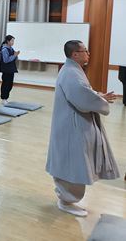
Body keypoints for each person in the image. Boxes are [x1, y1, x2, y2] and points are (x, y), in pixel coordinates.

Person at [46, 40, 119, 217]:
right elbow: (82, 99)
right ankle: (66, 201)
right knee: (71, 163)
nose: (88, 54)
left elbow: (84, 92)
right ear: (75, 54)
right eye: (85, 51)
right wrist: (100, 101)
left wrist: (99, 96)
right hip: (71, 126)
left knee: (71, 161)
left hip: (72, 124)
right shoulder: (71, 73)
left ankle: (67, 199)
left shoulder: (73, 70)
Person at [0, 35, 20, 105]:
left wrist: (16, 55)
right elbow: (6, 60)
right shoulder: (4, 49)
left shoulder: (11, 48)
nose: (13, 42)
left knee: (10, 84)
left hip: (11, 69)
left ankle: (6, 98)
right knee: (6, 84)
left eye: (13, 41)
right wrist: (14, 55)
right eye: (12, 41)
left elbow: (13, 57)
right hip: (6, 70)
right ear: (8, 41)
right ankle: (3, 98)